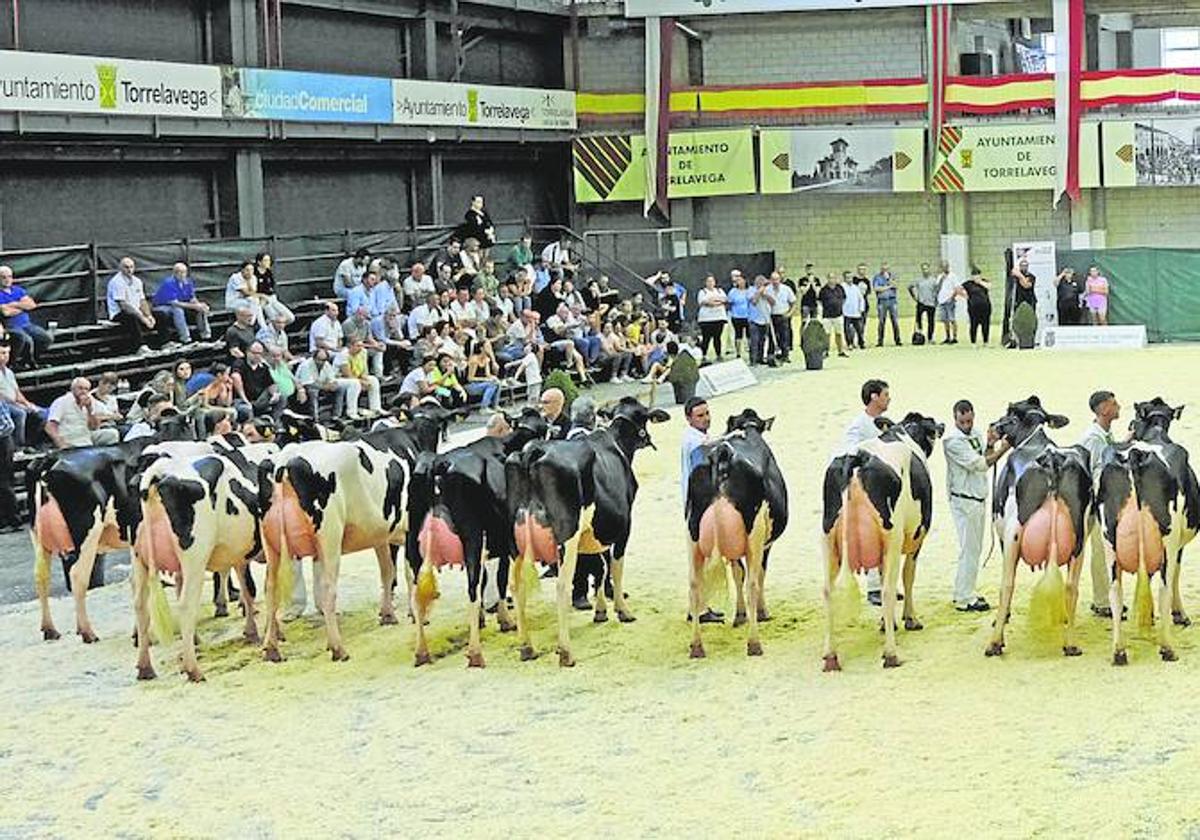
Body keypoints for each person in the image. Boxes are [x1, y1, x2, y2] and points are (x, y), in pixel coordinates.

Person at [943, 399, 1008, 612]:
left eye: (969, 420)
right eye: (962, 421)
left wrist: (990, 443)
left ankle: (966, 590)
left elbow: (985, 456)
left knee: (974, 549)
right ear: (955, 419)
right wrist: (1004, 449)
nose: (966, 425)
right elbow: (979, 464)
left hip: (978, 497)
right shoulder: (952, 441)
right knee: (969, 549)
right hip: (963, 499)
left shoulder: (976, 434)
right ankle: (963, 597)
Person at [836, 379, 891, 606]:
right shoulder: (859, 426)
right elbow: (846, 451)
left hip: (883, 487)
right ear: (873, 397)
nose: (889, 398)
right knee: (870, 537)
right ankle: (873, 587)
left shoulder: (885, 423)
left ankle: (884, 584)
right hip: (864, 490)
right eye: (885, 394)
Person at [680, 397, 724, 624]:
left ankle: (697, 606)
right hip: (698, 507)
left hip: (697, 505)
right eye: (700, 415)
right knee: (699, 560)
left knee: (700, 560)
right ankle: (698, 609)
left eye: (707, 413)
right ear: (688, 418)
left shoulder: (696, 437)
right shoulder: (694, 442)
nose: (706, 418)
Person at [1080, 390, 1122, 617]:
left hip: (1102, 502)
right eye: (1114, 404)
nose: (1118, 406)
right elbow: (1094, 471)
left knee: (1102, 550)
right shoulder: (1093, 438)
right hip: (1092, 503)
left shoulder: (1105, 434)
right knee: (1098, 551)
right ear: (1104, 409)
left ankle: (1104, 598)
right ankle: (1101, 601)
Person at [0, 265, 54, 368]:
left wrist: (12, 305)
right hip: (11, 326)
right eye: (4, 277)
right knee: (26, 339)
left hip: (27, 324)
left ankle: (30, 361)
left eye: (9, 276)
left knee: (45, 338)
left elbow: (32, 305)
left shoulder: (18, 290)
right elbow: (5, 312)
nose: (7, 280)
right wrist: (22, 306)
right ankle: (19, 364)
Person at [45, 377, 120, 448]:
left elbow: (94, 427)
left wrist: (89, 409)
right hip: (70, 437)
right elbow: (49, 427)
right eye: (80, 388)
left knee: (113, 434)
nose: (83, 391)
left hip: (86, 435)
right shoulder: (61, 402)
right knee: (83, 444)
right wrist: (61, 444)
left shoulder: (90, 401)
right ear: (72, 389)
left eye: (86, 389)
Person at [105, 256, 156, 354]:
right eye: (126, 267)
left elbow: (142, 301)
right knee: (132, 318)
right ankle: (140, 347)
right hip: (118, 314)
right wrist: (142, 318)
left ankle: (164, 342)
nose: (129, 270)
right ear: (120, 268)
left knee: (161, 315)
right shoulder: (116, 282)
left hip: (136, 312)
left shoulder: (137, 281)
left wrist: (149, 316)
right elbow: (124, 306)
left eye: (131, 267)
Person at [152, 262, 211, 345]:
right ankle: (185, 338)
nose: (183, 275)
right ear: (175, 273)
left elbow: (192, 298)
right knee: (178, 310)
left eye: (184, 272)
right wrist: (194, 306)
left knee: (201, 309)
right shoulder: (169, 283)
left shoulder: (187, 282)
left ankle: (205, 336)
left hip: (179, 304)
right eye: (180, 272)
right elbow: (174, 303)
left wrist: (200, 305)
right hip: (162, 306)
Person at [0, 342, 45, 450]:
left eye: (7, 353)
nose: (5, 356)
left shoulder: (9, 372)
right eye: (2, 353)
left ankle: (31, 444)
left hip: (14, 402)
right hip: (3, 404)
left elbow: (17, 392)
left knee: (40, 413)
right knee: (20, 413)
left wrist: (27, 403)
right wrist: (16, 404)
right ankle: (18, 446)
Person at [232, 341, 284, 423]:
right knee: (246, 409)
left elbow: (271, 383)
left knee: (281, 398)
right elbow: (235, 377)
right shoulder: (240, 363)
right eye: (254, 353)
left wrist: (274, 394)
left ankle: (274, 423)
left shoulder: (264, 367)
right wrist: (245, 399)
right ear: (248, 352)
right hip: (242, 400)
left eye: (260, 353)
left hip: (259, 400)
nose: (257, 356)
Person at [334, 336, 382, 419]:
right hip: (339, 379)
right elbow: (347, 374)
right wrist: (361, 382)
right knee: (355, 383)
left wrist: (365, 379)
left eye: (361, 345)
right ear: (350, 346)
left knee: (374, 380)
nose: (360, 348)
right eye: (358, 346)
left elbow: (364, 369)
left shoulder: (363, 352)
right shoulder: (343, 355)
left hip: (356, 377)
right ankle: (352, 412)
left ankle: (376, 408)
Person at [295, 346, 344, 420]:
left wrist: (333, 384)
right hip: (303, 387)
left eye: (323, 360)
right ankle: (315, 418)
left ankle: (336, 415)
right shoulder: (306, 365)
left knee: (339, 388)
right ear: (314, 358)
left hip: (321, 385)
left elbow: (331, 378)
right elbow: (308, 383)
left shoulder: (326, 364)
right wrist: (325, 387)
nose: (321, 362)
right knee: (313, 392)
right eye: (319, 360)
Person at [695, 274, 728, 361]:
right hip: (706, 319)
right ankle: (704, 355)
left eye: (712, 281)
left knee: (717, 337)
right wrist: (715, 301)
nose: (710, 283)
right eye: (708, 281)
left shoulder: (720, 290)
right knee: (706, 338)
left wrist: (715, 301)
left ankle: (718, 355)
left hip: (719, 318)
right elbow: (704, 302)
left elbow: (724, 300)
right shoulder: (702, 292)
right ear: (705, 283)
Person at [464, 340, 501, 410]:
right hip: (471, 385)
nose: (490, 348)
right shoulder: (474, 359)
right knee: (492, 384)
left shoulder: (486, 359)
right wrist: (487, 380)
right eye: (487, 346)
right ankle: (484, 407)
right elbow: (470, 378)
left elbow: (487, 375)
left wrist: (494, 377)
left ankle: (495, 406)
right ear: (481, 348)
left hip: (481, 383)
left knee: (497, 382)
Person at [767, 272, 796, 362]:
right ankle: (771, 355)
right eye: (773, 279)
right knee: (772, 337)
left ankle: (785, 355)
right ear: (770, 280)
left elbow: (794, 303)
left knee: (785, 336)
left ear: (780, 279)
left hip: (783, 316)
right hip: (771, 317)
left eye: (777, 279)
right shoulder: (767, 290)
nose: (775, 281)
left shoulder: (786, 289)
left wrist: (789, 314)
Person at [225, 260, 263, 327]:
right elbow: (246, 293)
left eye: (252, 270)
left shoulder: (253, 278)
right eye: (247, 270)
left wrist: (249, 281)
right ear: (242, 270)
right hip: (233, 302)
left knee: (256, 304)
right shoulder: (235, 277)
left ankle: (261, 325)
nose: (250, 272)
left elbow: (253, 292)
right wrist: (262, 295)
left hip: (246, 302)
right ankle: (252, 323)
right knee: (255, 301)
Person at [818, 273, 848, 357]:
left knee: (839, 333)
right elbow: (819, 301)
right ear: (827, 279)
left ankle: (840, 351)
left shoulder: (840, 288)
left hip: (838, 315)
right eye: (830, 278)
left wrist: (839, 305)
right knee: (826, 334)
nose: (832, 280)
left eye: (834, 278)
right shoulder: (823, 290)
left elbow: (844, 298)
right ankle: (825, 351)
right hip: (827, 316)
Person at [907, 263, 939, 344]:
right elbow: (910, 287)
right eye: (923, 269)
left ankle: (930, 338)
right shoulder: (918, 280)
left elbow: (937, 291)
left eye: (926, 269)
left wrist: (936, 300)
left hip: (931, 303)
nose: (925, 270)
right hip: (921, 303)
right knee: (918, 320)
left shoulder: (933, 280)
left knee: (931, 321)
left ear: (929, 269)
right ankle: (919, 336)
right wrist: (914, 297)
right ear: (922, 270)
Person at [0, 391, 18, 531]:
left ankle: (12, 519)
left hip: (3, 442)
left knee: (4, 481)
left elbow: (7, 425)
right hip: (5, 440)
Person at [872, 263, 902, 347]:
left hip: (892, 300)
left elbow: (896, 285)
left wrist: (888, 280)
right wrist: (888, 287)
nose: (885, 270)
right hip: (882, 301)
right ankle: (880, 341)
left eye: (886, 269)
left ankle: (897, 340)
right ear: (880, 269)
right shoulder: (877, 277)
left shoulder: (893, 276)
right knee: (881, 321)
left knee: (895, 321)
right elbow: (876, 288)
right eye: (883, 269)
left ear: (889, 269)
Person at [747, 274, 774, 367]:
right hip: (754, 319)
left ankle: (760, 358)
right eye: (760, 282)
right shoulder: (751, 290)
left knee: (762, 341)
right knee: (754, 341)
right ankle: (753, 360)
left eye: (763, 282)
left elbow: (773, 302)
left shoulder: (768, 290)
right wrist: (759, 292)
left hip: (765, 319)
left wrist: (765, 295)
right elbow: (753, 301)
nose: (762, 284)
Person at [960, 267, 992, 345]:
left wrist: (980, 282)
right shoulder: (968, 283)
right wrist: (964, 294)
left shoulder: (984, 281)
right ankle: (973, 342)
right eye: (974, 276)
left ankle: (985, 341)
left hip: (985, 307)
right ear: (972, 276)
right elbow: (959, 289)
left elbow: (989, 287)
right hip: (973, 308)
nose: (976, 277)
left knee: (985, 325)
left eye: (978, 275)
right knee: (974, 324)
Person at [726, 270, 751, 360]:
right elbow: (728, 302)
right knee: (738, 335)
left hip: (748, 316)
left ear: (745, 281)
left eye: (740, 280)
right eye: (737, 281)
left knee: (749, 335)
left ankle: (750, 350)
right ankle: (738, 353)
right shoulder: (733, 291)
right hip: (737, 316)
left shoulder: (750, 290)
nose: (739, 282)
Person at [936, 260, 963, 345]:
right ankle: (947, 337)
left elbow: (957, 288)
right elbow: (937, 288)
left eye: (946, 266)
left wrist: (952, 298)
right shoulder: (940, 276)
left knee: (952, 319)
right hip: (941, 301)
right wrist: (941, 279)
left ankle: (954, 338)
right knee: (945, 320)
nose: (945, 268)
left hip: (949, 301)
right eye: (943, 267)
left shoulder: (953, 276)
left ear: (948, 267)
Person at [840, 271, 866, 351]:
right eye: (847, 277)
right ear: (844, 278)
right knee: (847, 330)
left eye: (850, 277)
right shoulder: (841, 287)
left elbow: (861, 299)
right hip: (846, 312)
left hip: (856, 312)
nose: (849, 279)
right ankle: (849, 343)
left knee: (859, 329)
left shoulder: (856, 287)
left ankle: (861, 343)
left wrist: (861, 309)